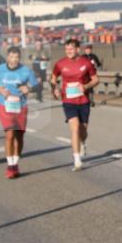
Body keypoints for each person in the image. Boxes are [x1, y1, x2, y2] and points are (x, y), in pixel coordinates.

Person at [0, 47, 39, 179]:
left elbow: (36, 86)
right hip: (4, 105)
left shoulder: (26, 71)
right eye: (11, 57)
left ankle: (15, 163)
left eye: (16, 57)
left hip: (20, 106)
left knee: (19, 136)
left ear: (19, 58)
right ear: (7, 57)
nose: (14, 60)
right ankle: (10, 166)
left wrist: (28, 88)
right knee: (10, 134)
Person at [51, 39, 99, 171]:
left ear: (78, 49)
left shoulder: (86, 63)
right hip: (68, 101)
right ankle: (77, 160)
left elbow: (96, 79)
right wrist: (54, 88)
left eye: (71, 49)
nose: (69, 52)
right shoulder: (60, 64)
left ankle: (83, 142)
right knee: (75, 127)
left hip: (83, 101)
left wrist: (86, 86)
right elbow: (53, 77)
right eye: (66, 49)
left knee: (83, 130)